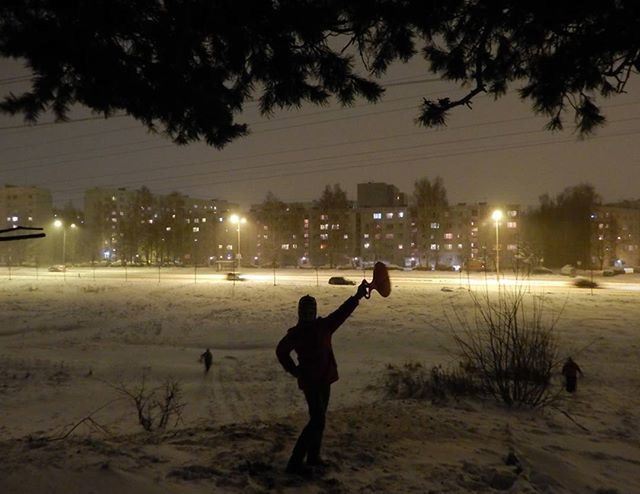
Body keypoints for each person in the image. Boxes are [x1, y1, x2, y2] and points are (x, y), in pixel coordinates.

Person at [276, 281, 368, 476]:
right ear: (300, 313)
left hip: (324, 379)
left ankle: (312, 457)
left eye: (311, 311)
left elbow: (342, 312)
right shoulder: (300, 333)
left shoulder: (322, 326)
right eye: (305, 311)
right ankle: (295, 462)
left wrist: (358, 296)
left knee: (320, 419)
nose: (308, 314)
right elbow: (281, 352)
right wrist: (294, 370)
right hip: (311, 383)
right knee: (317, 420)